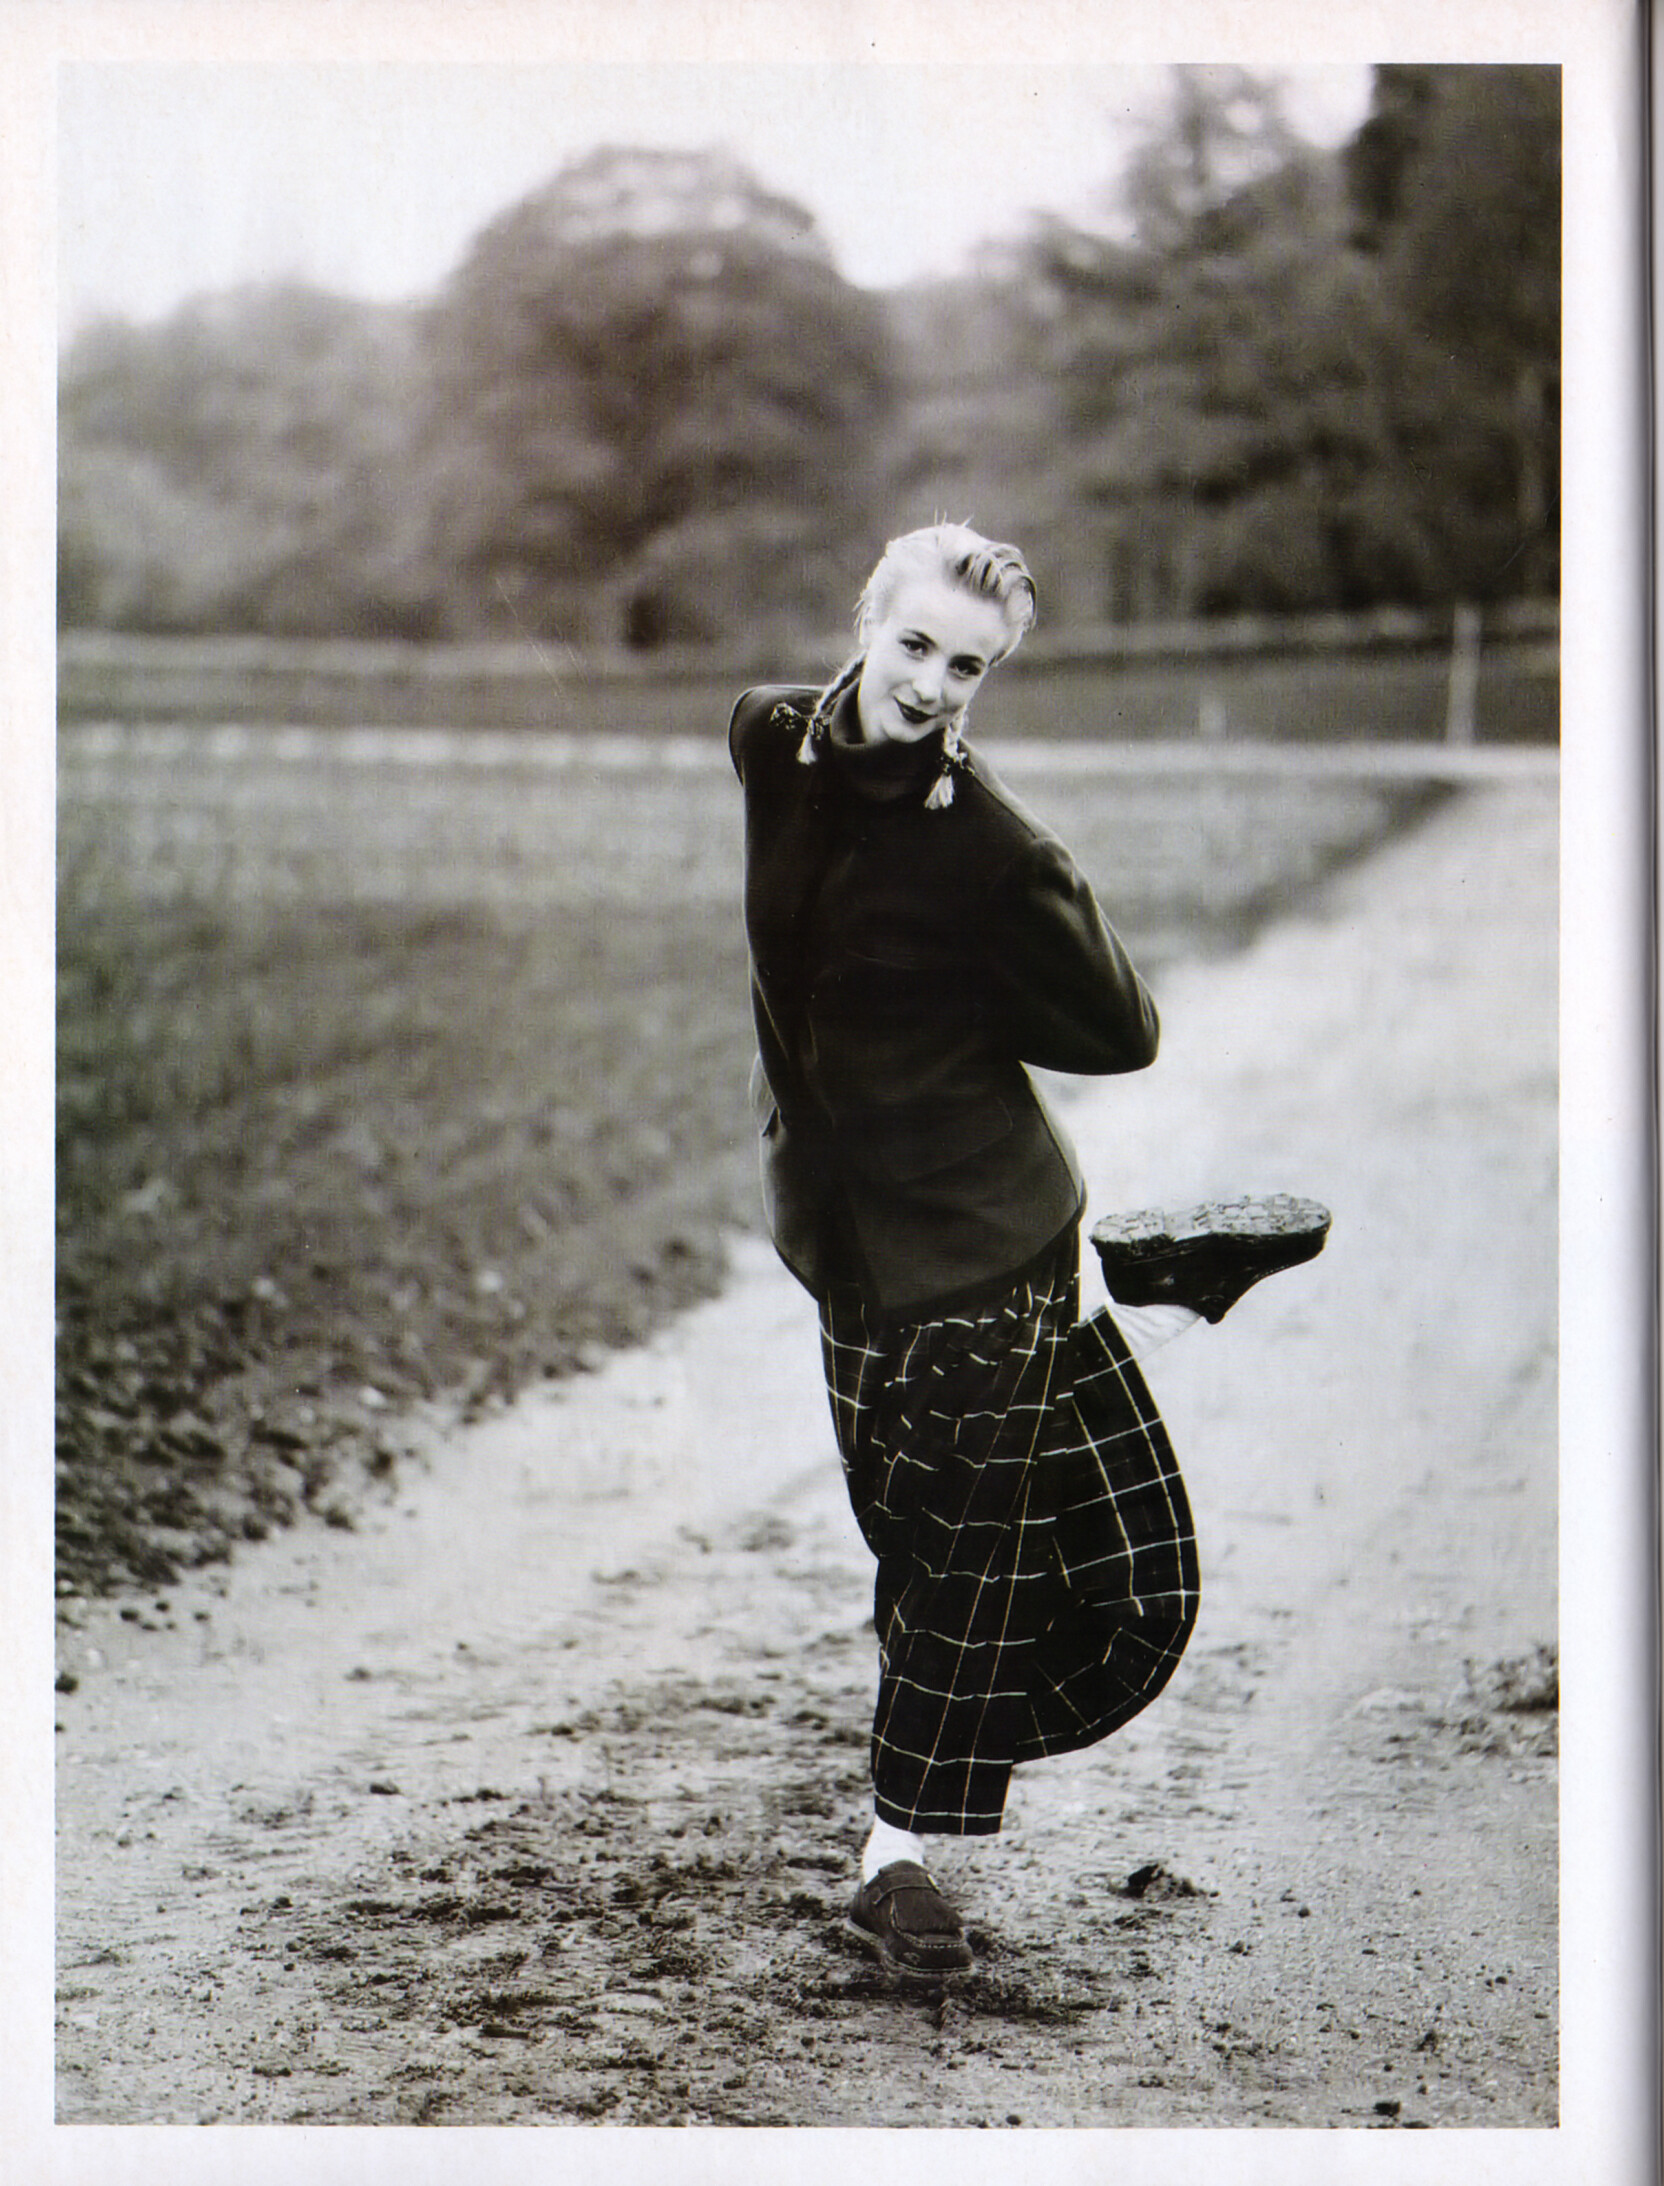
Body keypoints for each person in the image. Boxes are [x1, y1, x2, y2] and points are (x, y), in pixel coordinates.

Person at [728, 520, 1327, 1981]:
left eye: (970, 668)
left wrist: (979, 985)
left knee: (1095, 1584)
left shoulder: (995, 852)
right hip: (848, 1248)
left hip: (986, 1246)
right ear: (865, 623)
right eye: (916, 645)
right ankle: (1150, 1307)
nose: (933, 685)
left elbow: (1122, 1029)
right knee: (930, 1550)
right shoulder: (771, 744)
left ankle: (897, 1847)